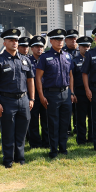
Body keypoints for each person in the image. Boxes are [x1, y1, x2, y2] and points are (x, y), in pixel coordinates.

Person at [0, 28, 35, 168]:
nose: (14, 43)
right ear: (5, 42)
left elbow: (30, 80)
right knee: (8, 131)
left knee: (21, 131)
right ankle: (8, 159)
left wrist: (31, 99)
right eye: (11, 40)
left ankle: (20, 158)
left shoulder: (25, 60)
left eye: (16, 40)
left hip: (24, 100)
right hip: (7, 100)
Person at [36, 28, 76, 158]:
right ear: (51, 41)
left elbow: (71, 75)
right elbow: (38, 77)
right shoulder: (45, 57)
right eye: (57, 39)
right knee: (53, 123)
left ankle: (63, 148)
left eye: (61, 39)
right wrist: (41, 96)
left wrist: (71, 92)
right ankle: (53, 150)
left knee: (65, 123)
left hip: (65, 93)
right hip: (51, 94)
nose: (60, 42)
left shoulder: (67, 56)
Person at [27, 35, 49, 149]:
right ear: (31, 48)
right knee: (33, 120)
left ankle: (47, 142)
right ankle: (35, 143)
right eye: (36, 46)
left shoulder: (47, 59)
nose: (39, 49)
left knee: (46, 119)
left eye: (41, 46)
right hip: (33, 94)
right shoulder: (27, 61)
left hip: (46, 92)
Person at [72, 36, 93, 145]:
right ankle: (81, 139)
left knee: (93, 116)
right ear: (79, 47)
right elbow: (71, 77)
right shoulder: (75, 60)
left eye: (88, 46)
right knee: (80, 117)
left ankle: (92, 137)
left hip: (94, 91)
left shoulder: (94, 58)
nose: (86, 48)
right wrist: (73, 92)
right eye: (84, 46)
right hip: (80, 92)